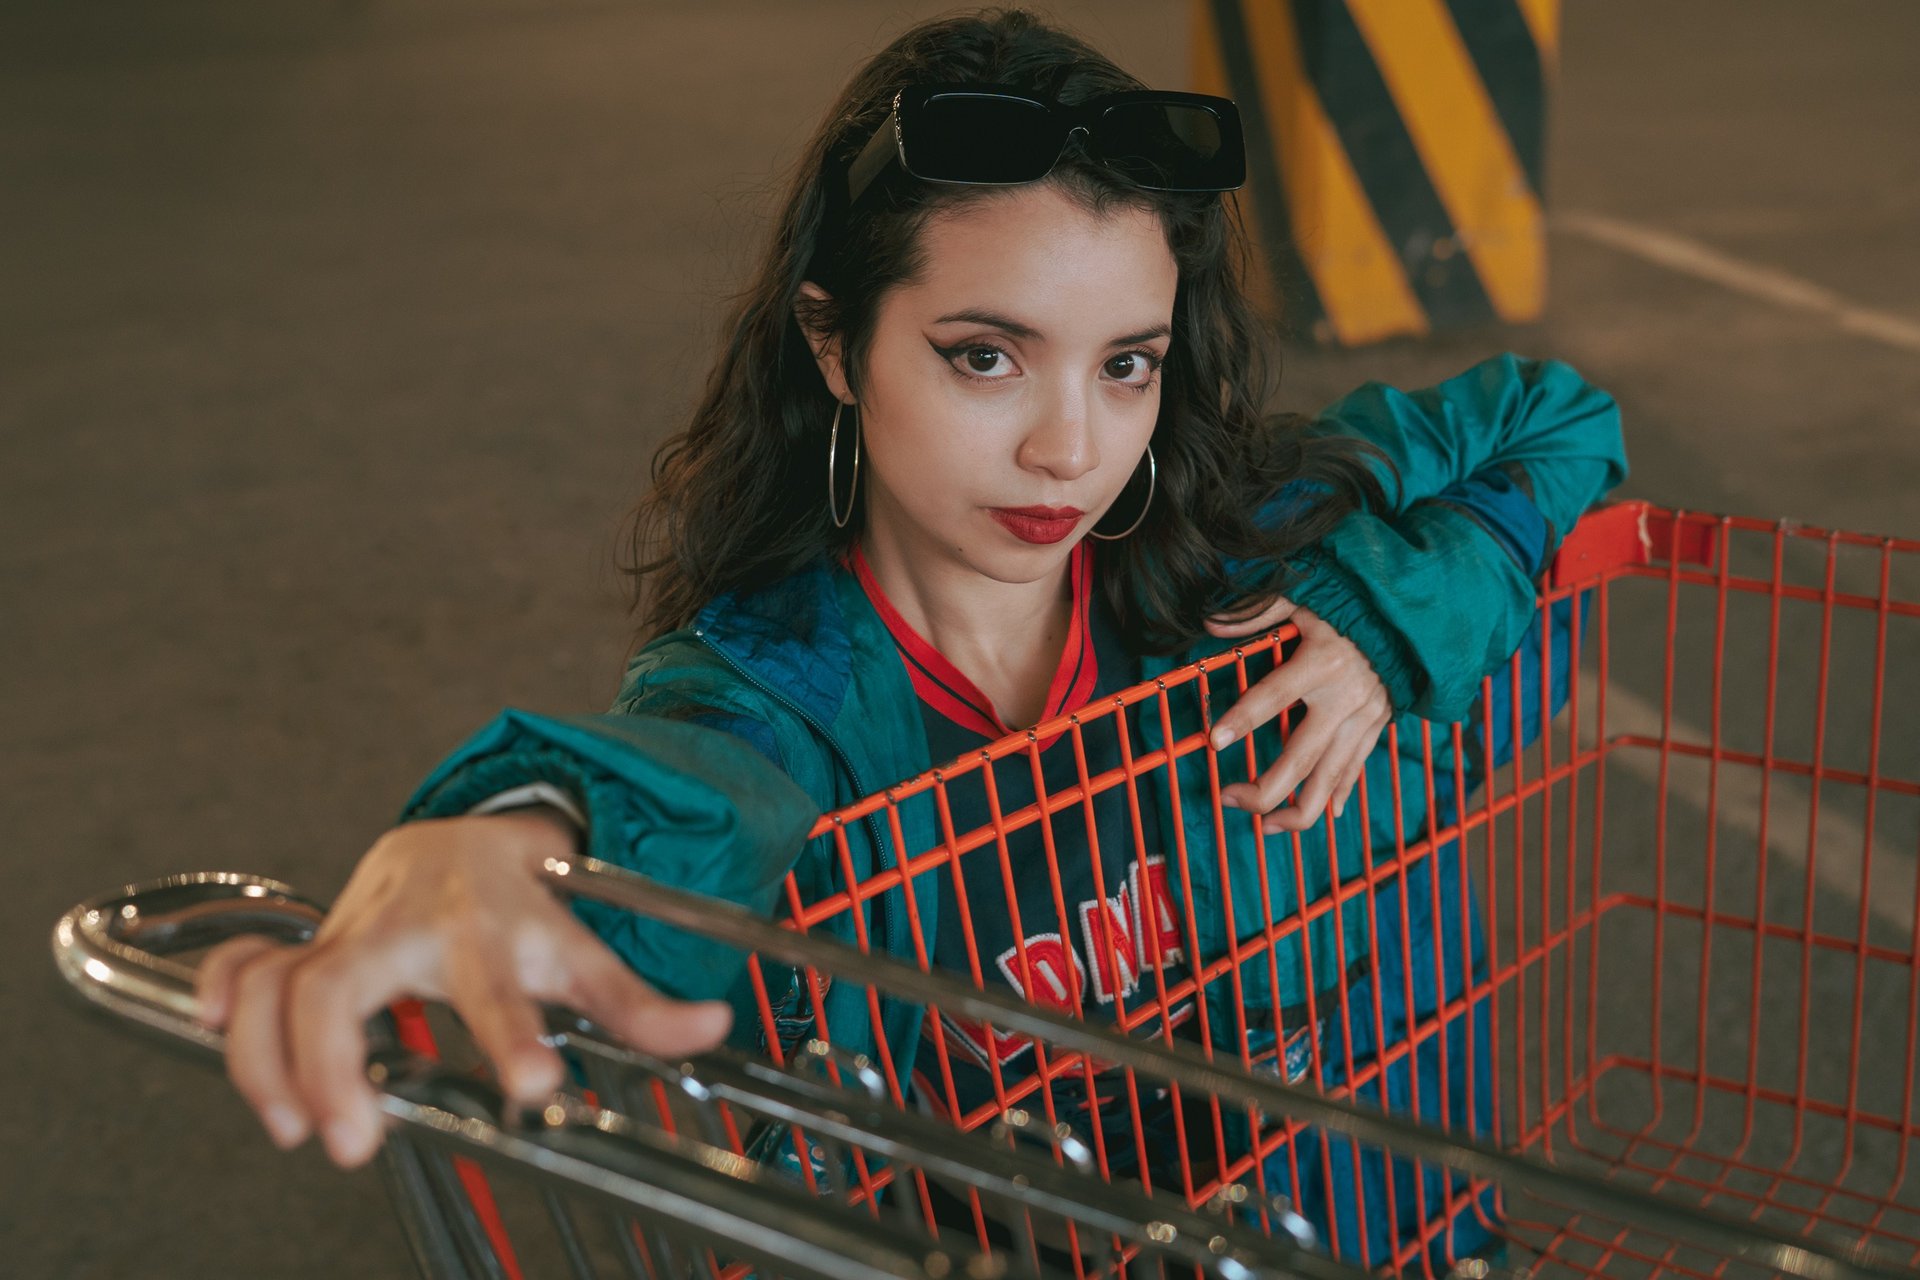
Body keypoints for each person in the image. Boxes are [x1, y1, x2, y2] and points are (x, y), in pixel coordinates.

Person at [194, 8, 1625, 1266]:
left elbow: (1557, 421)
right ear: (836, 344)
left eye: (1128, 365)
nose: (1071, 449)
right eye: (985, 357)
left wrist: (1382, 621)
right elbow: (702, 779)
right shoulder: (792, 692)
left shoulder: (1229, 546)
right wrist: (514, 827)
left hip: (1365, 1230)